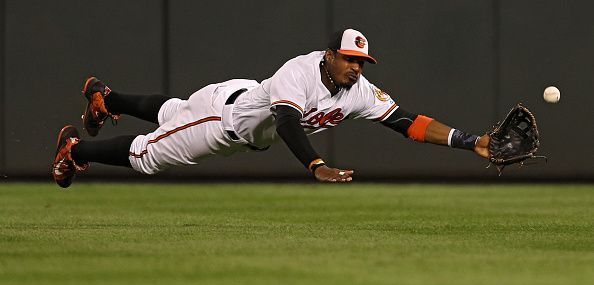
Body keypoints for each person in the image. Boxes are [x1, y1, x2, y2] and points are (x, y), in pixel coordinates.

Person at [52, 28, 490, 188]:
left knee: (172, 111)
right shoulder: (299, 72)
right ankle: (75, 149)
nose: (356, 68)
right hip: (223, 121)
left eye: (362, 62)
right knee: (148, 155)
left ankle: (106, 98)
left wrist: (470, 142)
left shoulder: (357, 89)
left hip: (239, 103)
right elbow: (285, 121)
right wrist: (315, 164)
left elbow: (406, 121)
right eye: (349, 59)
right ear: (329, 55)